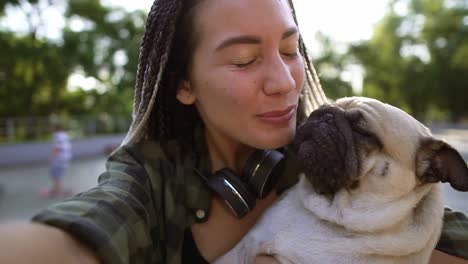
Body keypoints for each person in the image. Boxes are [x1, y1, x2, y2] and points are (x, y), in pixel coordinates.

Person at [0, 0, 467, 263]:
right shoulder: (151, 176)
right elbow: (87, 230)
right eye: (244, 60)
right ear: (184, 84)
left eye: (290, 51)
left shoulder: (324, 153)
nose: (285, 82)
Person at [39, 123, 73, 198]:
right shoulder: (65, 135)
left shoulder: (58, 136)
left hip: (59, 159)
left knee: (55, 175)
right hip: (65, 158)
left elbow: (57, 148)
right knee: (57, 175)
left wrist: (51, 157)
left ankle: (57, 191)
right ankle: (56, 189)